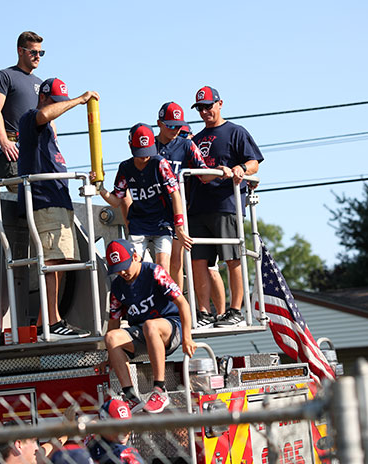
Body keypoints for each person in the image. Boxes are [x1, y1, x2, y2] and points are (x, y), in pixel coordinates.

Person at [17, 77, 99, 339]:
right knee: (52, 262)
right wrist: (78, 100)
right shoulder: (31, 119)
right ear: (42, 98)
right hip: (44, 202)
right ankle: (51, 323)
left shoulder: (49, 132)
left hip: (57, 202)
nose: (61, 108)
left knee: (59, 263)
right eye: (57, 102)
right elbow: (43, 114)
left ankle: (46, 322)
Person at [189, 86, 264, 328]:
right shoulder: (195, 139)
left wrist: (243, 169)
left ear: (220, 104)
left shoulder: (236, 132)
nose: (205, 111)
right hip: (197, 207)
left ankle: (235, 311)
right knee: (199, 261)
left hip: (226, 205)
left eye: (208, 106)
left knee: (232, 258)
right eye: (200, 108)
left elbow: (254, 163)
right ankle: (203, 312)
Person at [103, 239, 196, 414]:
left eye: (125, 265)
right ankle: (131, 397)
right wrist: (110, 354)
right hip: (143, 333)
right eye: (117, 269)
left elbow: (183, 304)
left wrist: (187, 337)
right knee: (111, 337)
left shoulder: (155, 272)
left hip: (169, 328)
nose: (122, 272)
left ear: (136, 257)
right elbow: (114, 321)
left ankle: (160, 390)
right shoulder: (117, 287)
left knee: (150, 326)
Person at [153, 104, 224, 325]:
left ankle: (175, 309)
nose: (175, 130)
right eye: (171, 126)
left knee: (178, 263)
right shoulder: (149, 146)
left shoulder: (186, 145)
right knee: (154, 265)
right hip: (150, 213)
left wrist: (225, 171)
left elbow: (203, 172)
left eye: (179, 126)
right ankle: (160, 307)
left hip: (178, 212)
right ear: (160, 124)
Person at [97, 124, 193, 274]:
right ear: (130, 146)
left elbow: (175, 194)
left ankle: (164, 296)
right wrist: (100, 189)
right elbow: (116, 201)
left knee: (162, 268)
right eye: (140, 152)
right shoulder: (125, 168)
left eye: (148, 151)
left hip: (163, 223)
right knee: (134, 268)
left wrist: (179, 226)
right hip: (139, 224)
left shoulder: (160, 163)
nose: (145, 156)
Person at [0, 31, 45, 192]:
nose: (38, 56)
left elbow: (46, 118)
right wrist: (4, 142)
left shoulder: (40, 84)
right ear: (20, 51)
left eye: (41, 52)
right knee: (24, 201)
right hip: (15, 151)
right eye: (33, 52)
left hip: (36, 150)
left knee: (42, 201)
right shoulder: (5, 76)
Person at [84, 398, 145, 463]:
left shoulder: (93, 441)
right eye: (118, 427)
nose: (125, 432)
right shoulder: (124, 453)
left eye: (128, 426)